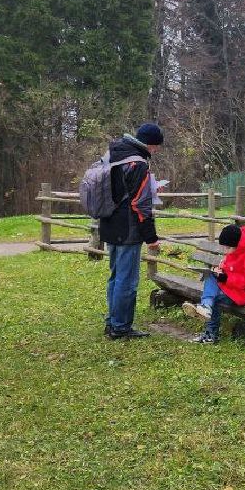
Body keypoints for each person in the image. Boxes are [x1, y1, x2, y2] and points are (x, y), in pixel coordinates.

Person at [99, 122, 163, 339]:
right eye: (156, 146)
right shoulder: (138, 164)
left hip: (109, 224)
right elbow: (140, 205)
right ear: (150, 144)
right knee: (127, 281)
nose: (156, 151)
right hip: (128, 229)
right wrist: (151, 237)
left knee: (116, 276)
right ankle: (120, 327)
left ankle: (112, 321)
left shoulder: (114, 153)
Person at [183, 224, 245, 343]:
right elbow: (229, 268)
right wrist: (220, 271)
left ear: (237, 244)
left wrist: (225, 278)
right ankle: (206, 306)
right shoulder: (235, 251)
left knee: (215, 299)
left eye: (227, 248)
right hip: (235, 289)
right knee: (211, 275)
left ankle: (210, 332)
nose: (225, 251)